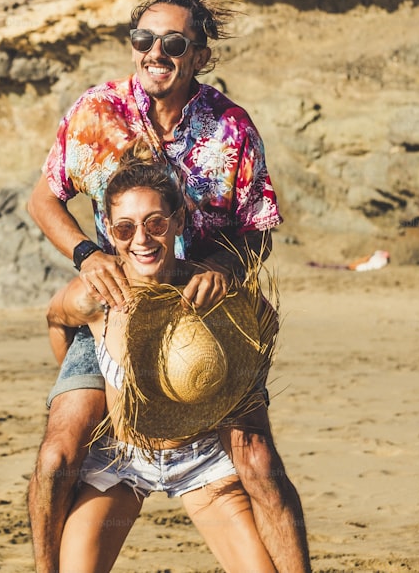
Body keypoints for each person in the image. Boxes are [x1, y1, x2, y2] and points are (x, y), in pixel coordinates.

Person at [26, 0, 311, 572]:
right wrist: (87, 254)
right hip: (116, 306)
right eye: (144, 39)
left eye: (175, 43)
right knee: (57, 456)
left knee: (257, 460)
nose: (156, 52)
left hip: (204, 314)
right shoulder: (95, 112)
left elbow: (258, 227)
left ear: (200, 55)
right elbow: (44, 199)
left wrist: (217, 268)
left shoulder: (231, 128)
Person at [50, 145, 277, 572]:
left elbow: (266, 320)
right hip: (120, 463)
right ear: (108, 228)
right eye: (124, 228)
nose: (141, 240)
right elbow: (55, 320)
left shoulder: (207, 287)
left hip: (199, 462)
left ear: (177, 222)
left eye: (155, 223)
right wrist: (90, 389)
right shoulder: (95, 298)